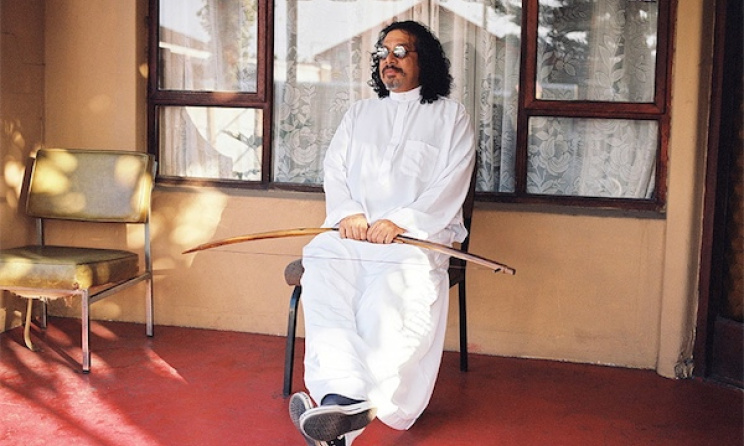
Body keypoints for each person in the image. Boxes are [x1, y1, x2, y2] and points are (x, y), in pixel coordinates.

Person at [289, 20, 476, 446]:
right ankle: (343, 402)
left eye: (399, 52)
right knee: (320, 255)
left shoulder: (451, 116)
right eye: (382, 54)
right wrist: (349, 212)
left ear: (423, 59)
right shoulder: (360, 113)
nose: (387, 61)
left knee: (392, 289)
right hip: (354, 235)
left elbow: (452, 180)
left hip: (414, 239)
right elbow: (335, 169)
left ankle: (342, 403)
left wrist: (403, 222)